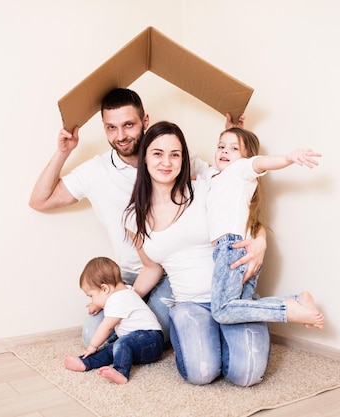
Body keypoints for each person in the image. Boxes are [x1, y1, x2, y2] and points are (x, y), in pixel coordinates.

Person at [29, 88, 268, 346]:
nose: (121, 135)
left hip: (172, 274)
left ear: (144, 122)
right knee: (96, 336)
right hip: (131, 274)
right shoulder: (95, 171)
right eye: (111, 127)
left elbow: (230, 193)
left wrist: (260, 239)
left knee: (156, 333)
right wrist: (63, 151)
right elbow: (40, 200)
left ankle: (218, 321)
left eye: (129, 125)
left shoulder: (171, 159)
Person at [124, 121, 270, 387]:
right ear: (144, 158)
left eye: (175, 154)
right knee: (201, 374)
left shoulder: (206, 187)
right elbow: (152, 268)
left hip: (232, 296)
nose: (166, 161)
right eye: (157, 153)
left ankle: (235, 324)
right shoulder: (135, 218)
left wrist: (261, 242)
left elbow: (247, 218)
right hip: (190, 305)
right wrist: (124, 302)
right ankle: (204, 333)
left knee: (246, 375)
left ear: (184, 159)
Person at [206, 127, 325, 329]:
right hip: (241, 250)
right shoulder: (213, 176)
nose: (225, 151)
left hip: (231, 249)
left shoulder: (240, 170)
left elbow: (259, 162)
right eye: (221, 146)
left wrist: (288, 158)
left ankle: (287, 309)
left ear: (245, 156)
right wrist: (232, 128)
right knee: (243, 307)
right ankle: (297, 299)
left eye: (233, 148)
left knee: (222, 310)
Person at [64, 257, 164, 384]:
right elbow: (106, 301)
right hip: (143, 343)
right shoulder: (126, 291)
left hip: (150, 339)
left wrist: (92, 346)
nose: (92, 300)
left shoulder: (118, 300)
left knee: (121, 343)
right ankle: (85, 363)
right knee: (111, 349)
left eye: (92, 296)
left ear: (105, 289)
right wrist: (98, 303)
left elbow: (106, 326)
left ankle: (121, 372)